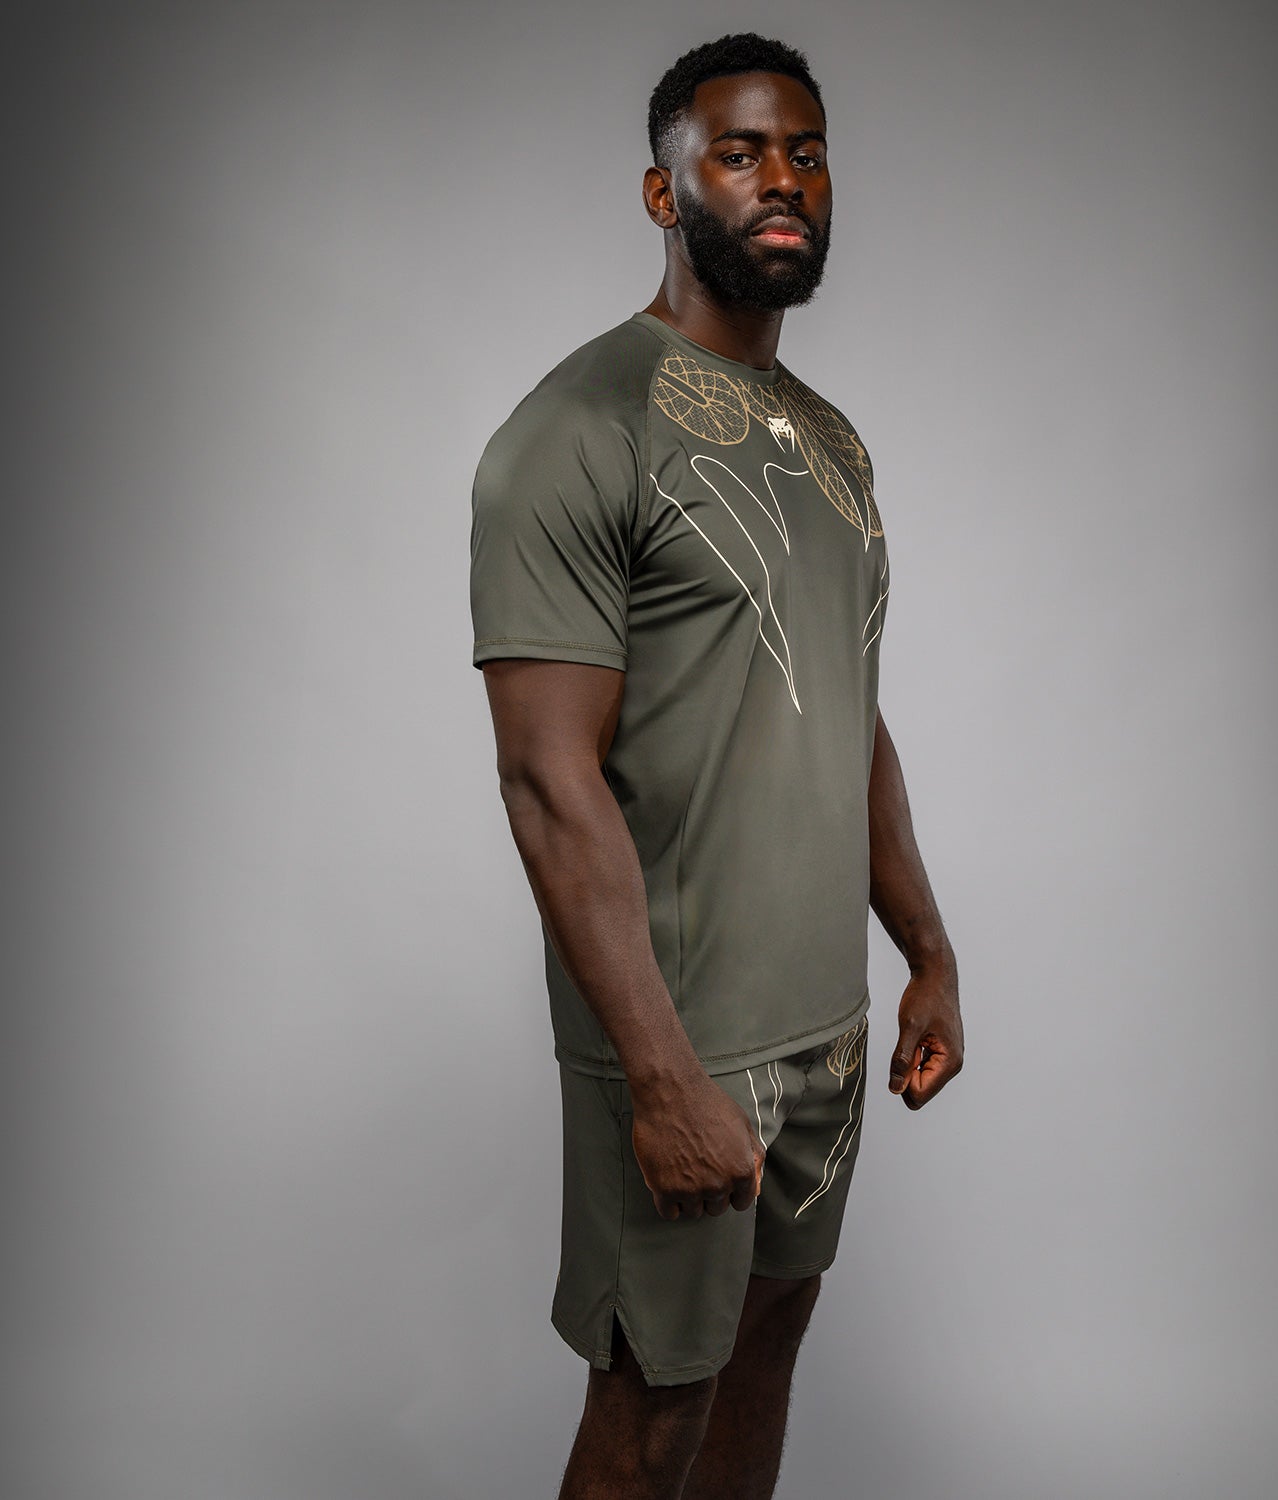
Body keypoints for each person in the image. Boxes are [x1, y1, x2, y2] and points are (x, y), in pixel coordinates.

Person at [469, 32, 964, 1500]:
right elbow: (546, 780)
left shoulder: (832, 443)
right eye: (739, 152)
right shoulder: (578, 431)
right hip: (686, 1041)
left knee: (765, 1351)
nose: (783, 179)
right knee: (656, 1401)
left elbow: (849, 712)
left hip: (825, 1027)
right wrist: (659, 1073)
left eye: (806, 152)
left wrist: (927, 953)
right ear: (662, 189)